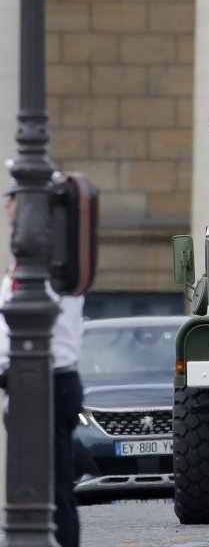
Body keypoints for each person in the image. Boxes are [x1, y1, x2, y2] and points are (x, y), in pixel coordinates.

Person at [0, 177, 84, 547]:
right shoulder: (30, 255)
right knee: (35, 485)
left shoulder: (51, 256)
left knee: (52, 487)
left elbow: (36, 319)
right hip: (26, 381)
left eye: (14, 199)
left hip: (46, 379)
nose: (7, 206)